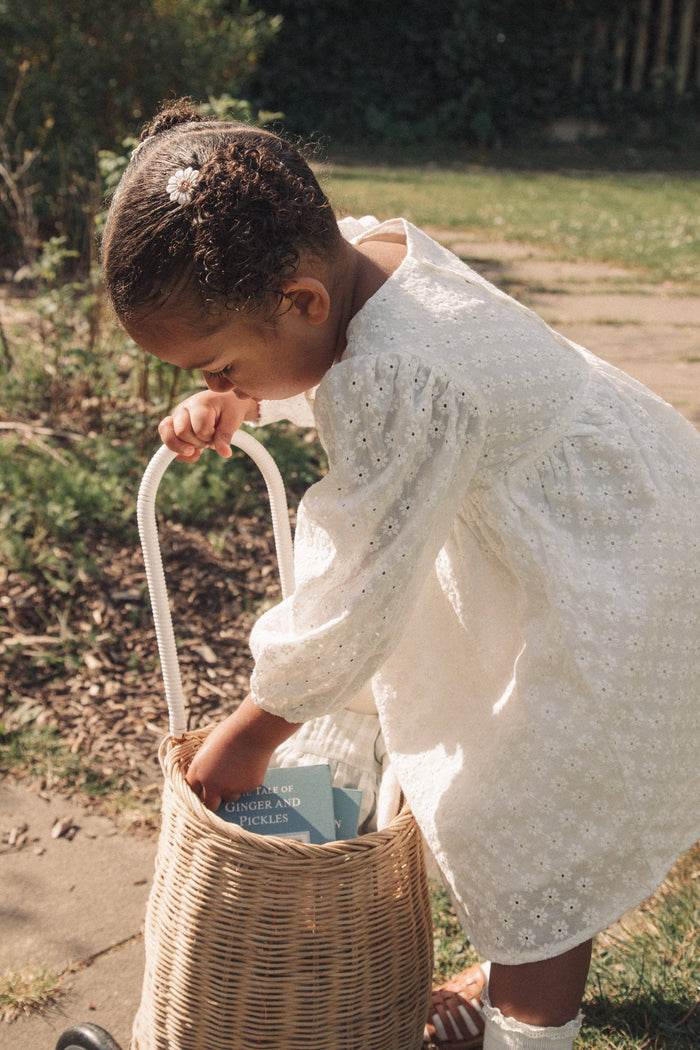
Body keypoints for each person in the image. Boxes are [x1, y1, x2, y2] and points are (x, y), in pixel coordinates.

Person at [102, 99, 700, 1050]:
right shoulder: (358, 258)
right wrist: (244, 402)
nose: (221, 386)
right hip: (593, 502)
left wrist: (260, 729)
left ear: (297, 299)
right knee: (513, 772)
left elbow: (364, 584)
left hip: (614, 550)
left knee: (534, 795)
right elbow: (338, 361)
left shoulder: (403, 375)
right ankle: (522, 974)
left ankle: (533, 1029)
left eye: (221, 366)